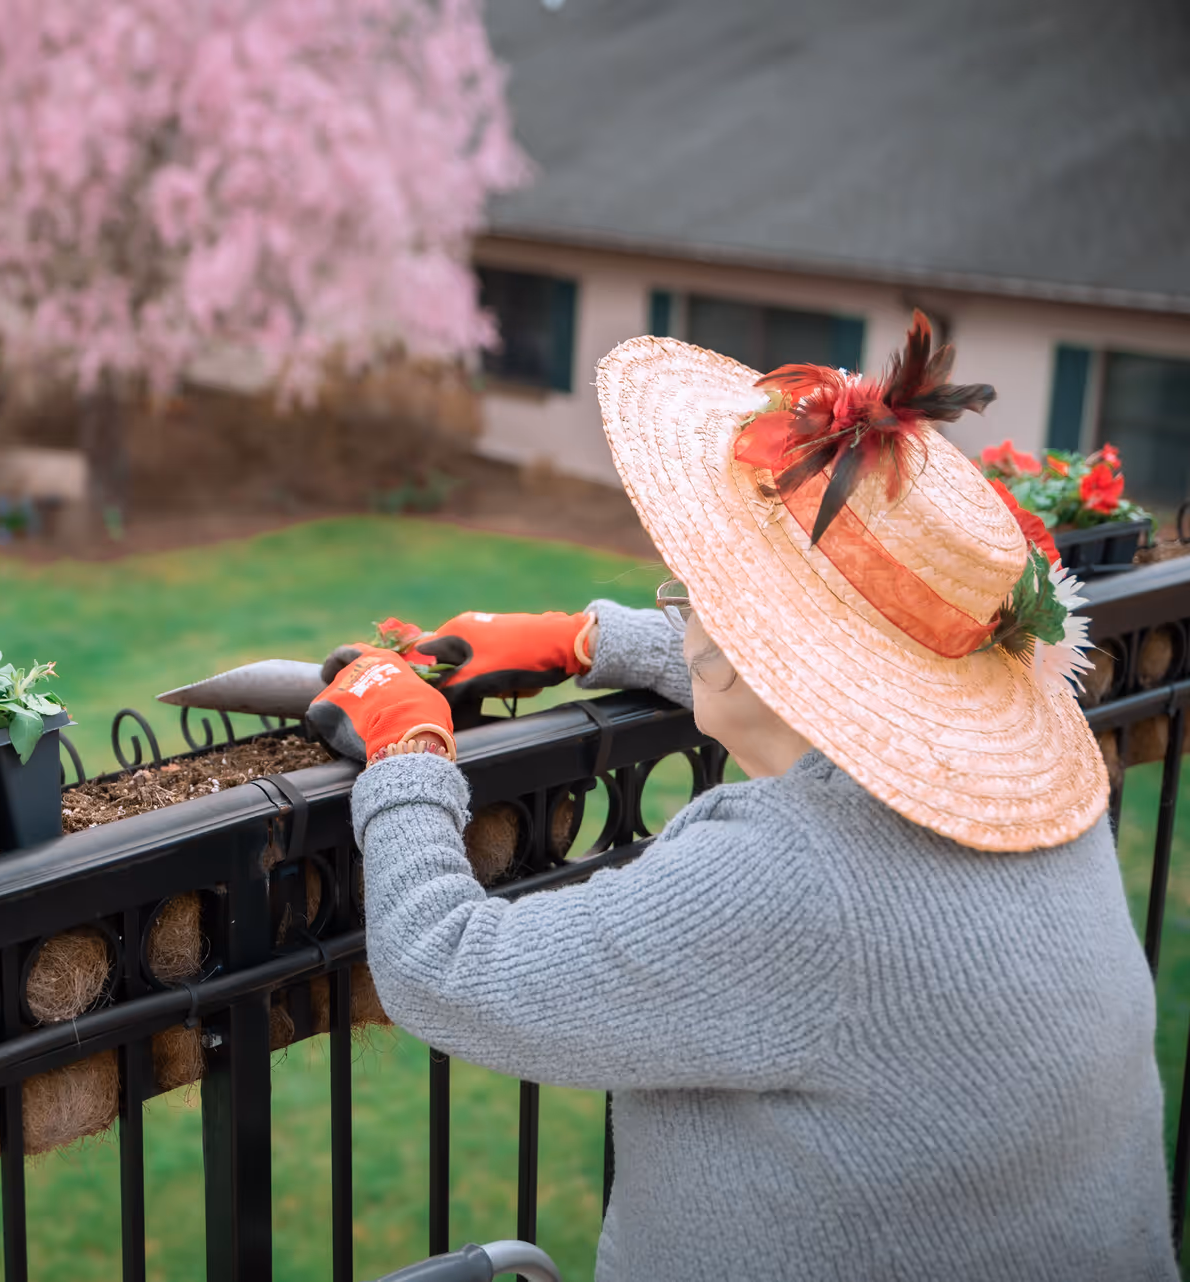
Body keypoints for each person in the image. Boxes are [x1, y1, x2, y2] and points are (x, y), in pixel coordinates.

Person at [305, 314, 1178, 1280]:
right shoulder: (1029, 804)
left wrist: (407, 748)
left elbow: (444, 969)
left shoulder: (789, 874)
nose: (684, 598)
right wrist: (585, 639)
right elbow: (832, 696)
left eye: (697, 591)